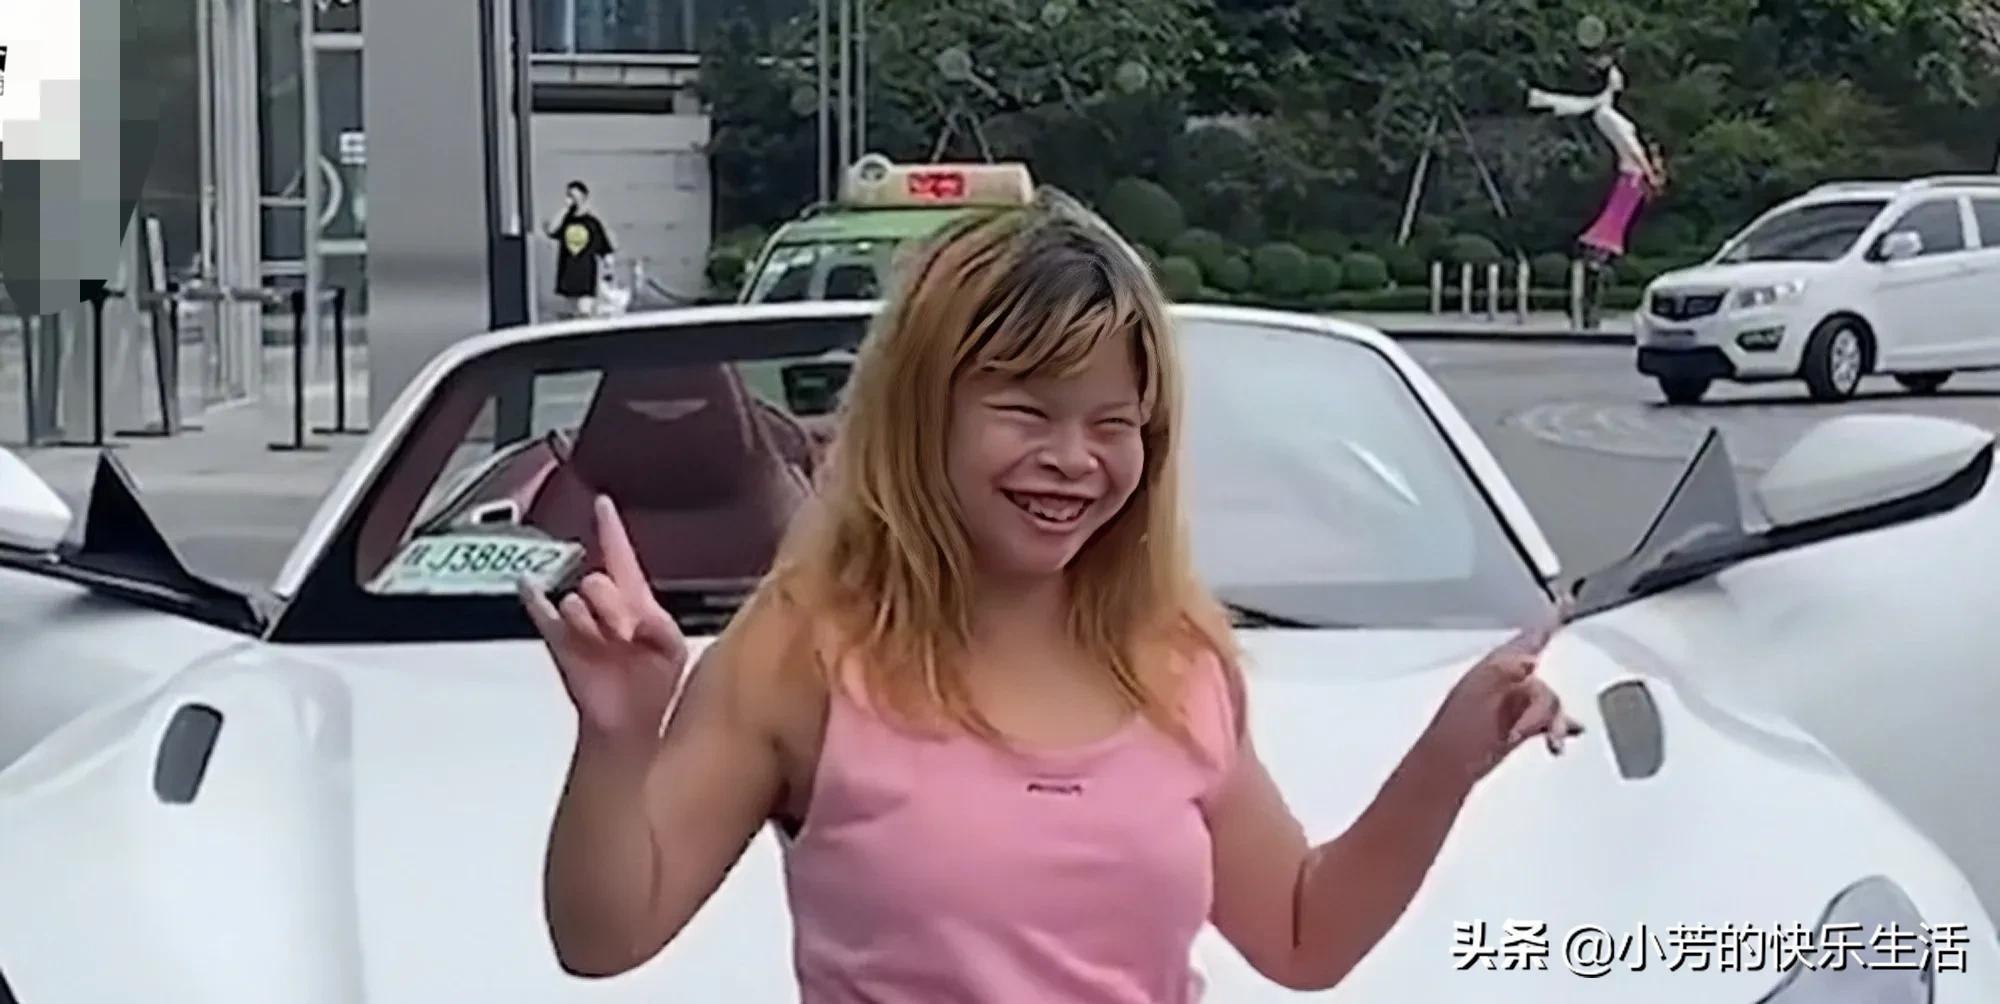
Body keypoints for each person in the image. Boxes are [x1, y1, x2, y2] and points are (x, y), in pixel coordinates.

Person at [522, 188, 1584, 1000]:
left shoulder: (1176, 661)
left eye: (1113, 424)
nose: (1074, 459)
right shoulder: (801, 654)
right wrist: (615, 736)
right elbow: (605, 937)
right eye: (1026, 412)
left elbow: (1304, 936)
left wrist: (1449, 756)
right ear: (921, 414)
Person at [545, 180, 615, 319]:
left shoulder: (592, 222)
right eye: (569, 195)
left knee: (584, 310)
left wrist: (609, 270)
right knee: (570, 312)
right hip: (567, 272)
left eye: (574, 196)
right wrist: (565, 209)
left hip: (586, 274)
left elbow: (605, 248)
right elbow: (551, 230)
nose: (571, 199)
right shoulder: (566, 220)